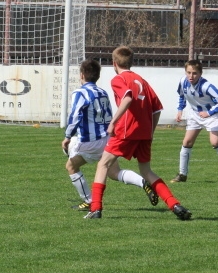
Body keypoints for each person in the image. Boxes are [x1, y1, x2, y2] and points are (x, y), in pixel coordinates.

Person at [85, 46, 192, 220]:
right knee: (147, 171)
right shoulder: (141, 80)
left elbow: (127, 97)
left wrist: (113, 122)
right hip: (144, 132)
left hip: (126, 131)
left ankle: (96, 209)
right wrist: (150, 132)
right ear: (131, 62)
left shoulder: (118, 79)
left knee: (103, 164)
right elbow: (157, 109)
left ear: (114, 63)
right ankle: (175, 205)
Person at [63, 59, 158, 211]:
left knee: (71, 165)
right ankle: (143, 182)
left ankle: (89, 201)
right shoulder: (102, 92)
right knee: (114, 172)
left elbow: (74, 117)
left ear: (81, 75)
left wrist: (67, 136)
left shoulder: (79, 93)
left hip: (91, 142)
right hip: (108, 139)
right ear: (97, 76)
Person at [172, 59, 218, 182]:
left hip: (212, 115)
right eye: (188, 72)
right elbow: (182, 96)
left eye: (194, 73)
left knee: (215, 142)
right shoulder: (183, 81)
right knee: (187, 142)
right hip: (195, 114)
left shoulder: (206, 86)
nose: (191, 76)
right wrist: (180, 110)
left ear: (200, 73)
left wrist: (209, 113)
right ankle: (182, 175)